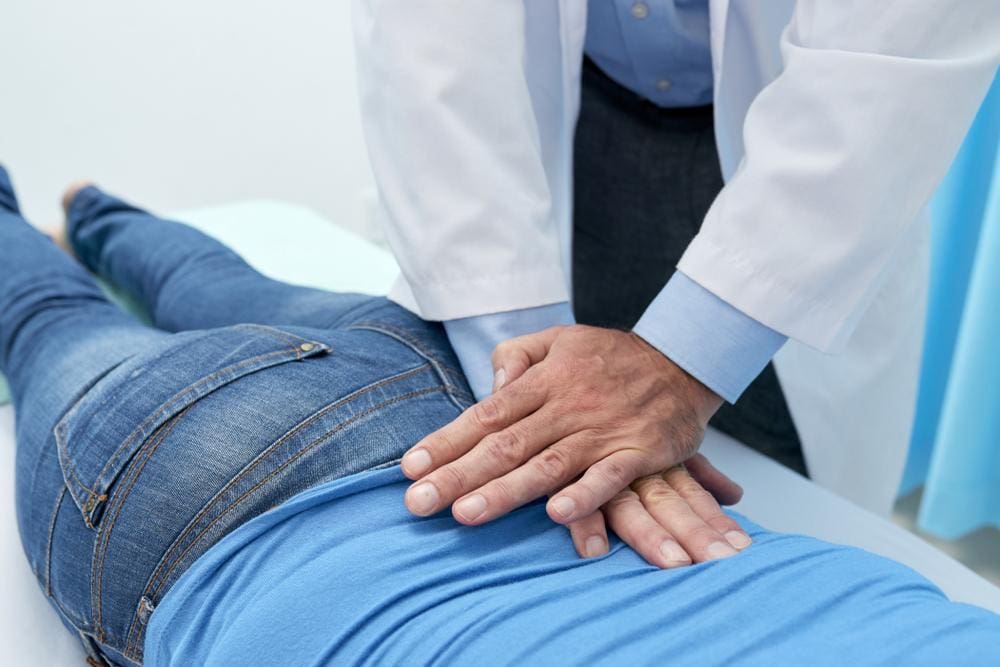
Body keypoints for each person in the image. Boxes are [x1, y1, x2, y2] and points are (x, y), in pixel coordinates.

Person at [1, 166, 998, 665]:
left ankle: (97, 209)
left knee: (214, 277)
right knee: (48, 322)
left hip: (429, 393)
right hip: (216, 501)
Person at [352, 1, 1000, 548]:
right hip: (579, 118)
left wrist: (681, 363)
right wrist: (535, 392)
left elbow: (890, 62)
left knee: (792, 526)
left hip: (798, 151)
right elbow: (431, 42)